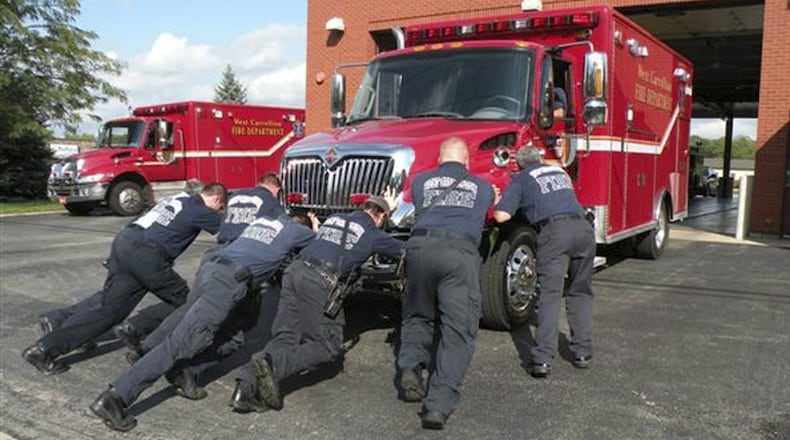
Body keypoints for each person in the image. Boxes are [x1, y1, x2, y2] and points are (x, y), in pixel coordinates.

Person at [89, 212, 318, 432]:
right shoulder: (297, 231)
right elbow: (319, 243)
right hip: (227, 283)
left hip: (212, 270)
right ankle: (115, 397)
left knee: (235, 336)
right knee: (177, 344)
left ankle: (187, 371)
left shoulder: (265, 222)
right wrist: (315, 227)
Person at [21, 183, 227, 375]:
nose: (216, 212)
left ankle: (42, 349)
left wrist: (118, 256)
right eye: (220, 208)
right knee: (188, 302)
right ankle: (139, 331)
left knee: (108, 310)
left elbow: (142, 221)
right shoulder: (200, 210)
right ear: (217, 200)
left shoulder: (177, 200)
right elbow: (232, 231)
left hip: (128, 242)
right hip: (148, 257)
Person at [249, 195, 403, 412]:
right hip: (319, 280)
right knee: (328, 346)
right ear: (382, 216)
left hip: (294, 270)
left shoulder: (334, 218)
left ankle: (245, 388)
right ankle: (273, 366)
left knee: (286, 335)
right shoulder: (373, 233)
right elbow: (407, 252)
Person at [113, 173, 285, 356]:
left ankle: (147, 344)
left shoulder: (236, 197)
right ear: (276, 189)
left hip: (213, 257)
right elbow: (281, 234)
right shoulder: (271, 203)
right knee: (220, 315)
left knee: (191, 305)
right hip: (238, 263)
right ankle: (183, 358)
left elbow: (223, 230)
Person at [395, 136, 495, 430]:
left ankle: (410, 365)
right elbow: (491, 211)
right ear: (466, 161)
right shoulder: (484, 187)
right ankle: (437, 406)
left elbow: (417, 205)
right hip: (459, 255)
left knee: (417, 315)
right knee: (457, 330)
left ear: (440, 161)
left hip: (419, 250)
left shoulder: (422, 181)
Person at [492, 145, 595, 378]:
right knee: (580, 292)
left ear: (518, 164)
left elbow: (501, 216)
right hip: (583, 229)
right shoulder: (559, 172)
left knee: (549, 295)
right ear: (539, 158)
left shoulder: (521, 179)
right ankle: (582, 353)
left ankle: (542, 360)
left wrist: (499, 200)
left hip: (555, 233)